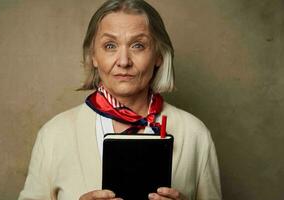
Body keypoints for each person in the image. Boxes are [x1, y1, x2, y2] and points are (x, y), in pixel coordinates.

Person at [18, 0, 222, 200]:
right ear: (94, 57)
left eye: (138, 45)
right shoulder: (54, 135)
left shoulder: (195, 134)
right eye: (109, 46)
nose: (123, 61)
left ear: (158, 55)